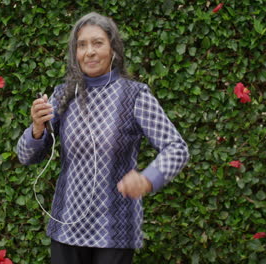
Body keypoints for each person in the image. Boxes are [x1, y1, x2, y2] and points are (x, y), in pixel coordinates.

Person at [17, 12, 189, 264]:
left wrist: (148, 179)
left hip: (114, 232)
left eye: (97, 43)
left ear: (113, 49)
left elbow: (176, 147)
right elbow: (25, 156)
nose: (89, 52)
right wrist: (36, 128)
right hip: (67, 228)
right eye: (82, 45)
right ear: (75, 53)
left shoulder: (134, 96)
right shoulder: (63, 94)